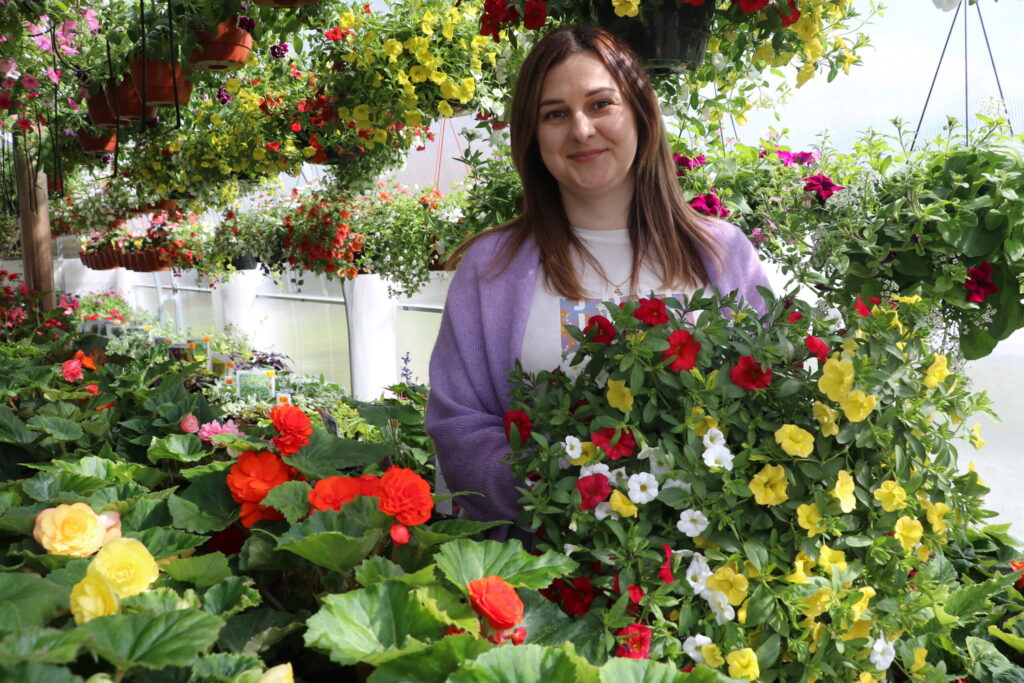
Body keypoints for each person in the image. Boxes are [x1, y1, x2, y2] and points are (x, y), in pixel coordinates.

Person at [425, 25, 771, 536]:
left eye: (600, 104)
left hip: (700, 574)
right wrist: (564, 501)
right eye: (555, 114)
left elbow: (765, 400)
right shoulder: (492, 266)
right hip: (540, 579)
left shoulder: (720, 253)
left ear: (640, 114)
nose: (581, 130)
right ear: (533, 134)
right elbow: (459, 424)